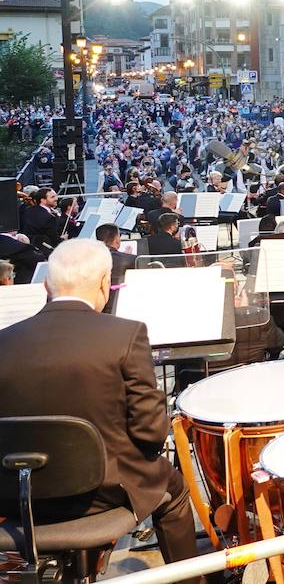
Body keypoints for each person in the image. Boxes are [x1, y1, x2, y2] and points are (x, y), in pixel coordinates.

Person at [0, 240, 205, 580]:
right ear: (102, 284)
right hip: (102, 493)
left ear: (48, 285)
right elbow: (151, 433)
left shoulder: (3, 341)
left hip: (14, 498)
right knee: (174, 485)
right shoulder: (124, 335)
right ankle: (192, 578)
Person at [19, 187, 62, 254]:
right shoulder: (49, 217)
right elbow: (55, 240)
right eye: (52, 197)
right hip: (45, 251)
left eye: (56, 196)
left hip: (28, 249)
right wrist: (62, 238)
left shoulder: (27, 211)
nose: (56, 199)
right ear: (43, 200)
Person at [96, 222, 138, 287]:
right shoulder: (132, 260)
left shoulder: (90, 260)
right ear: (117, 240)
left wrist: (124, 255)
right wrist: (126, 256)